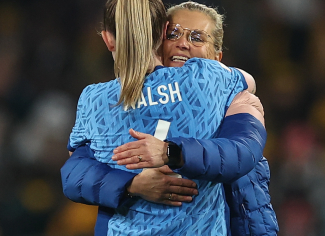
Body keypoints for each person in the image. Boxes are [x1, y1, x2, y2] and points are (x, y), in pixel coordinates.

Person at [63, 1, 278, 235]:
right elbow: (75, 172)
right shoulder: (105, 100)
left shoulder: (233, 96)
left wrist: (170, 152)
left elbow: (242, 151)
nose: (183, 44)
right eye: (174, 34)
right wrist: (132, 185)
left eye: (197, 38)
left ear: (218, 57)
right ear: (160, 35)